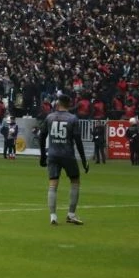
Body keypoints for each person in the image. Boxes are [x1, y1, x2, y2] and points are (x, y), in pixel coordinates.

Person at [39, 93, 89, 226]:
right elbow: (78, 141)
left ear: (58, 104)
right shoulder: (73, 119)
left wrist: (43, 155)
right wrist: (83, 159)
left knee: (53, 184)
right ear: (69, 104)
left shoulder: (49, 117)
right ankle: (71, 214)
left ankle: (53, 216)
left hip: (53, 154)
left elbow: (42, 136)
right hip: (67, 155)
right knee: (75, 181)